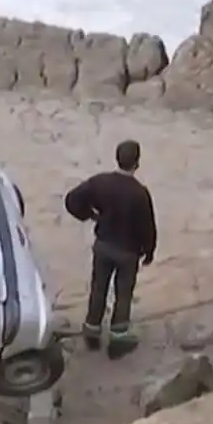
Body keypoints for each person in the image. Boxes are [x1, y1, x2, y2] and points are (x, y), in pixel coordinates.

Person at [63, 140, 157, 358]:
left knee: (98, 289)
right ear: (137, 163)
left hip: (103, 246)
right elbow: (148, 227)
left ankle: (92, 332)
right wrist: (149, 251)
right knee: (123, 295)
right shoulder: (140, 193)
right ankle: (117, 341)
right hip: (128, 253)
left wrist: (90, 215)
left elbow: (72, 200)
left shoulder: (100, 183)